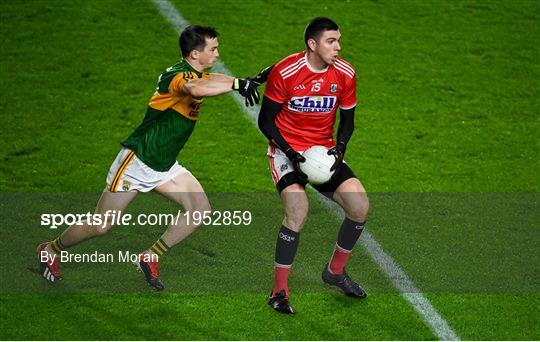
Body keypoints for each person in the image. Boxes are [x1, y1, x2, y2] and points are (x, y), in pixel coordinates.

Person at [37, 25, 261, 291]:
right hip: (138, 161)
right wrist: (237, 84)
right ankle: (51, 249)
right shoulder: (177, 77)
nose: (217, 53)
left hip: (164, 166)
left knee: (200, 209)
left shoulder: (198, 73)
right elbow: (195, 88)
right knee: (101, 225)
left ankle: (150, 255)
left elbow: (213, 80)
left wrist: (243, 82)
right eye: (212, 49)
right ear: (193, 54)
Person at [257, 17, 369, 314]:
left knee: (359, 206)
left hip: (321, 153)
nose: (338, 47)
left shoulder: (345, 73)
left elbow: (348, 121)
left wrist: (340, 150)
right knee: (298, 212)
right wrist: (291, 153)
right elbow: (265, 121)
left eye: (339, 40)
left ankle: (334, 272)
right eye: (331, 41)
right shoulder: (287, 71)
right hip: (286, 152)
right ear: (312, 44)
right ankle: (279, 291)